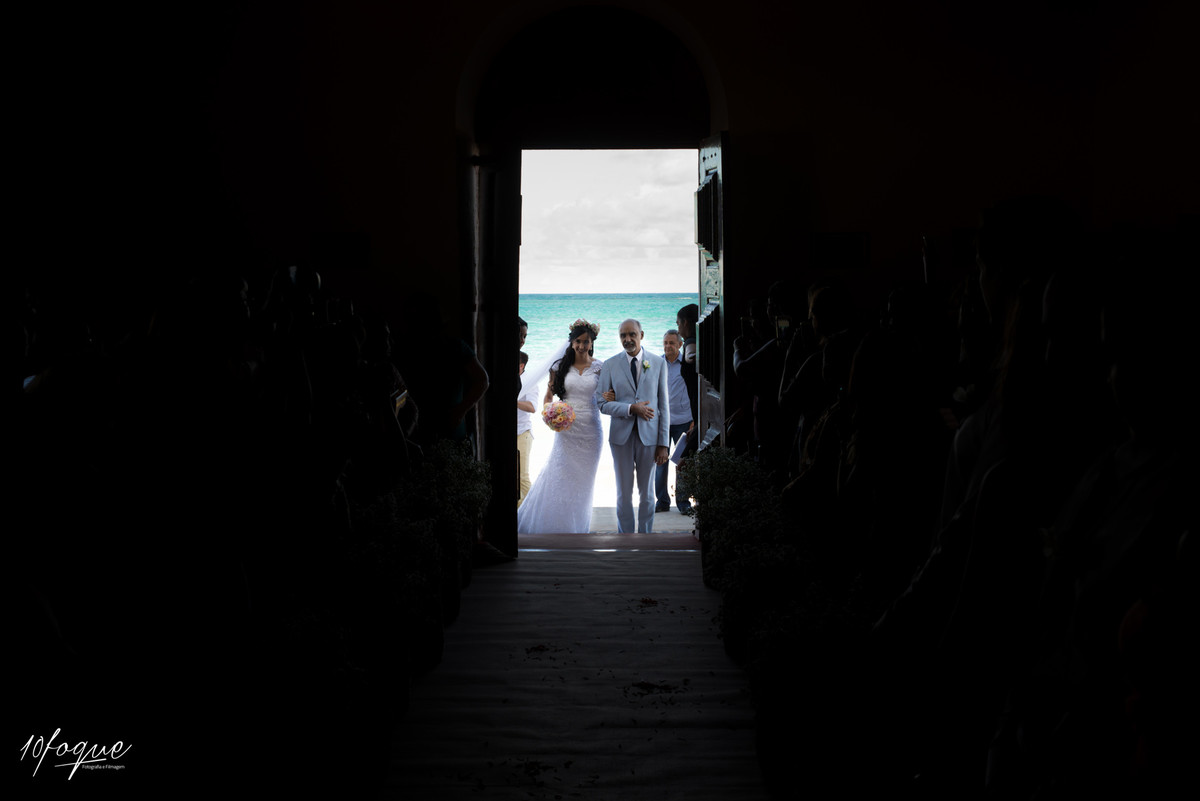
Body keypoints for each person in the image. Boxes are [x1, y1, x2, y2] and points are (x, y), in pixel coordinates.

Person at [516, 320, 605, 534]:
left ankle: (578, 527)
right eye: (578, 341)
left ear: (592, 343)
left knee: (584, 482)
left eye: (586, 342)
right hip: (567, 430)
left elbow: (605, 397)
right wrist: (551, 413)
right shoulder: (559, 367)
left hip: (592, 431)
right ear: (571, 342)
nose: (582, 346)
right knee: (560, 476)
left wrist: (612, 397)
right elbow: (548, 398)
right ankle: (556, 525)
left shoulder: (601, 367)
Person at [596, 319, 670, 533]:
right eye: (623, 335)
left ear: (641, 335)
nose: (627, 339)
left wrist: (663, 444)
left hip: (650, 437)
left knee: (647, 493)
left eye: (632, 334)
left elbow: (664, 406)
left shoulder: (658, 363)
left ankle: (645, 535)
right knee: (623, 492)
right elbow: (602, 404)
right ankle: (625, 537)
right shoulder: (610, 365)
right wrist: (631, 408)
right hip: (621, 438)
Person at [655, 329, 697, 513]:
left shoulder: (688, 364)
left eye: (671, 343)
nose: (668, 346)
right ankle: (662, 502)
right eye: (665, 343)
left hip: (684, 420)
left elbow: (695, 391)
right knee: (660, 462)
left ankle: (683, 502)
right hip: (661, 422)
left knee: (683, 462)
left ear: (680, 344)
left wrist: (694, 420)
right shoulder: (656, 364)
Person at [516, 351, 537, 507]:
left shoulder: (530, 382)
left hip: (522, 433)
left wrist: (513, 401)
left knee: (522, 476)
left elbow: (532, 407)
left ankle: (530, 510)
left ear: (521, 366)